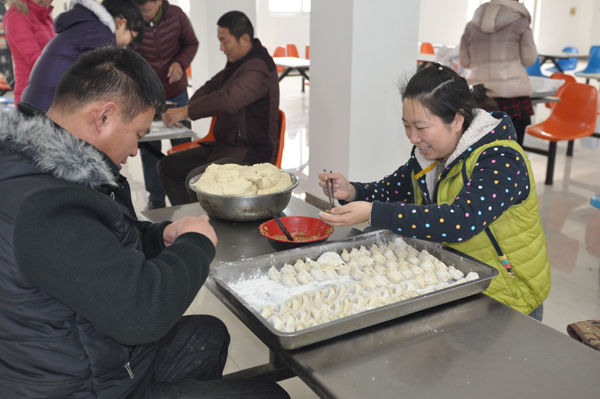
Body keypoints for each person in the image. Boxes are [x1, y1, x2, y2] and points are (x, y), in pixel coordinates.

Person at [0, 46, 290, 399]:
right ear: (104, 116)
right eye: (137, 134)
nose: (137, 150)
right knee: (273, 396)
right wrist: (196, 244)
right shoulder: (47, 208)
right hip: (81, 386)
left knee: (208, 336)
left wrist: (157, 236)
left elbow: (92, 244)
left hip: (87, 355)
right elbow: (144, 314)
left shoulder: (37, 166)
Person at [318, 65, 551, 320]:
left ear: (458, 119)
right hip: (457, 284)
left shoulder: (501, 159)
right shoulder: (428, 157)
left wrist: (373, 212)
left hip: (506, 297)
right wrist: (353, 191)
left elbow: (460, 220)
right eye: (406, 126)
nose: (413, 137)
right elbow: (393, 190)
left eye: (421, 127)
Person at [158, 10, 280, 205]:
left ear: (245, 39)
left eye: (225, 41)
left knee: (196, 180)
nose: (222, 48)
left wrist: (186, 111)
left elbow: (228, 99)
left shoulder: (259, 68)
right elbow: (211, 87)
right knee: (167, 166)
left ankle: (205, 226)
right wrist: (187, 109)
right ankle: (190, 219)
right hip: (227, 146)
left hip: (250, 154)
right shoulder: (239, 63)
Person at [132, 0, 199, 210]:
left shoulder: (177, 15)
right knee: (148, 147)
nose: (145, 17)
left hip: (176, 92)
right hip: (146, 96)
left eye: (148, 11)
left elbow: (191, 43)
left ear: (158, 1)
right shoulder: (132, 17)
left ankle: (188, 194)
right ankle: (156, 198)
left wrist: (181, 63)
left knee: (183, 144)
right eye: (141, 13)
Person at [20, 0, 145, 112]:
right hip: (49, 111)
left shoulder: (86, 25)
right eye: (132, 39)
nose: (126, 45)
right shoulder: (100, 33)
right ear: (121, 23)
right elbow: (98, 83)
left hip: (37, 105)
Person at [459, 0, 538, 146]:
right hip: (513, 95)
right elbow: (529, 59)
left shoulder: (471, 24)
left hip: (481, 93)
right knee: (513, 148)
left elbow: (464, 61)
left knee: (479, 147)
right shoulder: (520, 22)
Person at [3, 0, 55, 103]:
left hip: (49, 90)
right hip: (32, 95)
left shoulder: (43, 15)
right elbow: (35, 59)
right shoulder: (17, 16)